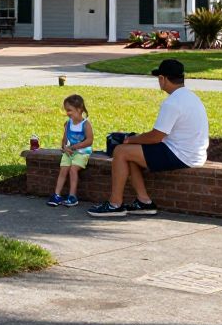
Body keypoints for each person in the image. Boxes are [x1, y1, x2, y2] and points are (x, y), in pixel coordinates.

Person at [89, 59, 209, 218]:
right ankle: (144, 202)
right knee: (129, 154)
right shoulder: (191, 97)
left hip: (181, 155)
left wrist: (131, 139)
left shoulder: (172, 102)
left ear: (163, 79)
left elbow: (155, 137)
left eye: (159, 78)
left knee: (120, 151)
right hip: (192, 152)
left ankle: (114, 204)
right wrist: (135, 140)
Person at [47, 94, 94, 208]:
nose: (67, 113)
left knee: (73, 170)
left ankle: (72, 196)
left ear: (79, 109)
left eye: (70, 110)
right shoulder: (68, 123)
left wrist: (74, 147)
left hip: (82, 152)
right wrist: (65, 148)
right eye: (66, 110)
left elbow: (89, 141)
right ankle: (57, 195)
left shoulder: (86, 124)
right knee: (63, 169)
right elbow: (64, 140)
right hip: (70, 151)